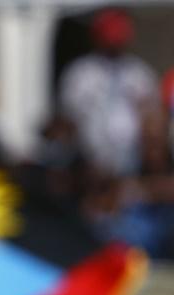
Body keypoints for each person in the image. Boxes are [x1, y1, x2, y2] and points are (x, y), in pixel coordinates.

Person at [59, 8, 158, 179]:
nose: (114, 45)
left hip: (131, 161)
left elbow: (150, 115)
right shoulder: (81, 73)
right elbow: (69, 117)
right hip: (90, 162)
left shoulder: (138, 72)